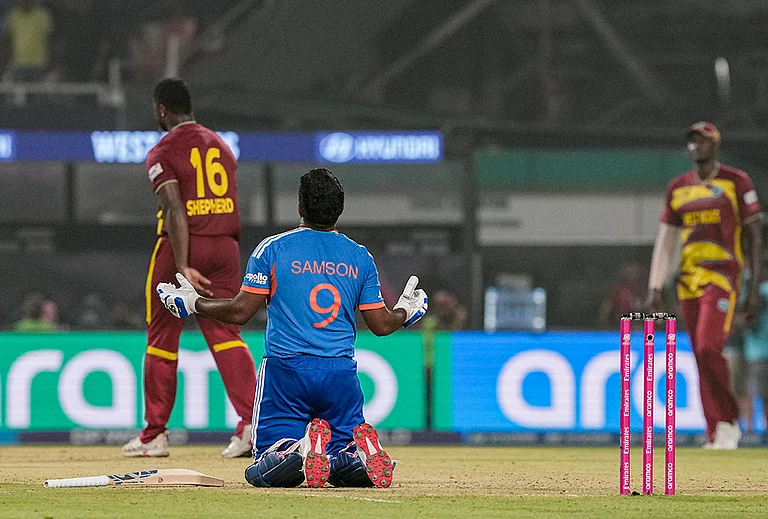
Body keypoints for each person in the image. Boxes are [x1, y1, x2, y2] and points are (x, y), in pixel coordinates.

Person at [156, 168, 428, 488]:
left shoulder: (272, 249)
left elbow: (241, 311)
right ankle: (357, 455)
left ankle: (297, 449)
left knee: (262, 468)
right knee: (340, 457)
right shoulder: (360, 257)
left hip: (287, 371)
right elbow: (382, 325)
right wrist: (406, 313)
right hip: (340, 373)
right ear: (339, 210)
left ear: (300, 207)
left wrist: (193, 303)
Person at [122, 78, 256, 459]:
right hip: (226, 247)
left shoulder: (162, 152)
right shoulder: (222, 146)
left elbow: (175, 208)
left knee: (162, 336)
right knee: (226, 333)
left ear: (162, 110)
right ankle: (251, 424)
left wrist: (182, 263)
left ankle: (154, 436)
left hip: (184, 246)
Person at [646, 121, 763, 449]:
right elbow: (666, 240)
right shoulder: (678, 187)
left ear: (715, 145)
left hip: (723, 279)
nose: (695, 146)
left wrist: (753, 288)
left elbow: (755, 235)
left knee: (709, 348)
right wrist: (655, 286)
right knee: (700, 353)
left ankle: (727, 422)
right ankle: (715, 431)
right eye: (692, 141)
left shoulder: (736, 181)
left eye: (702, 141)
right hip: (689, 283)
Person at [4, 0, 53, 82]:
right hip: (18, 64)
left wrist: (50, 65)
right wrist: (6, 65)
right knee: (18, 93)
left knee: (38, 93)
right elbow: (8, 41)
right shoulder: (12, 16)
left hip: (39, 64)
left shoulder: (42, 15)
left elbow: (50, 40)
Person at [598, 263, 647, 329]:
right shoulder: (619, 291)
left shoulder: (646, 291)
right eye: (631, 273)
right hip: (623, 329)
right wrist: (605, 327)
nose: (634, 275)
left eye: (636, 272)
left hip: (645, 329)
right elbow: (606, 310)